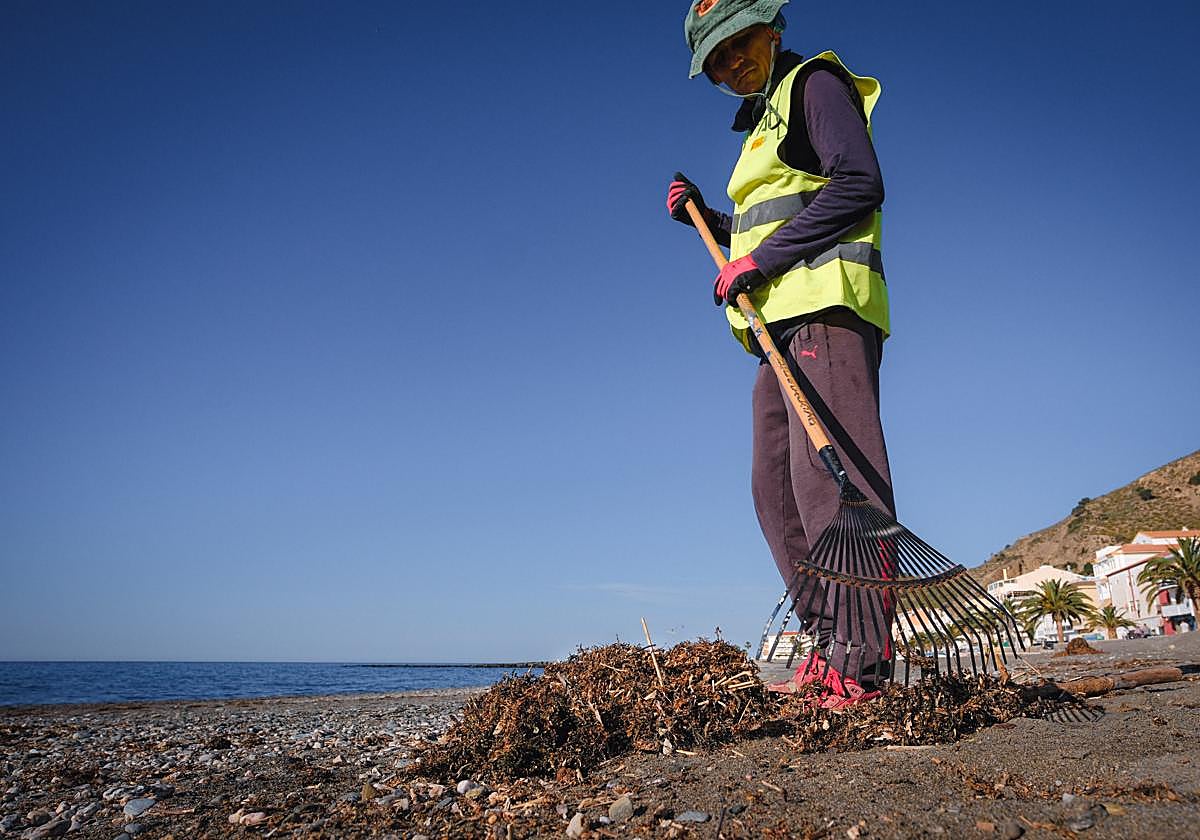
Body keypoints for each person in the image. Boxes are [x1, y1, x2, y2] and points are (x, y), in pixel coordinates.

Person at [667, 0, 896, 707]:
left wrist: (759, 260)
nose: (732, 67)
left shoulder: (813, 86)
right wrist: (711, 218)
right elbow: (777, 214)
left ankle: (862, 663)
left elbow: (859, 185)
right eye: (716, 65)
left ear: (770, 29)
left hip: (825, 311)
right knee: (777, 491)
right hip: (778, 331)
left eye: (738, 48)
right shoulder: (762, 123)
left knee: (834, 481)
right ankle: (828, 642)